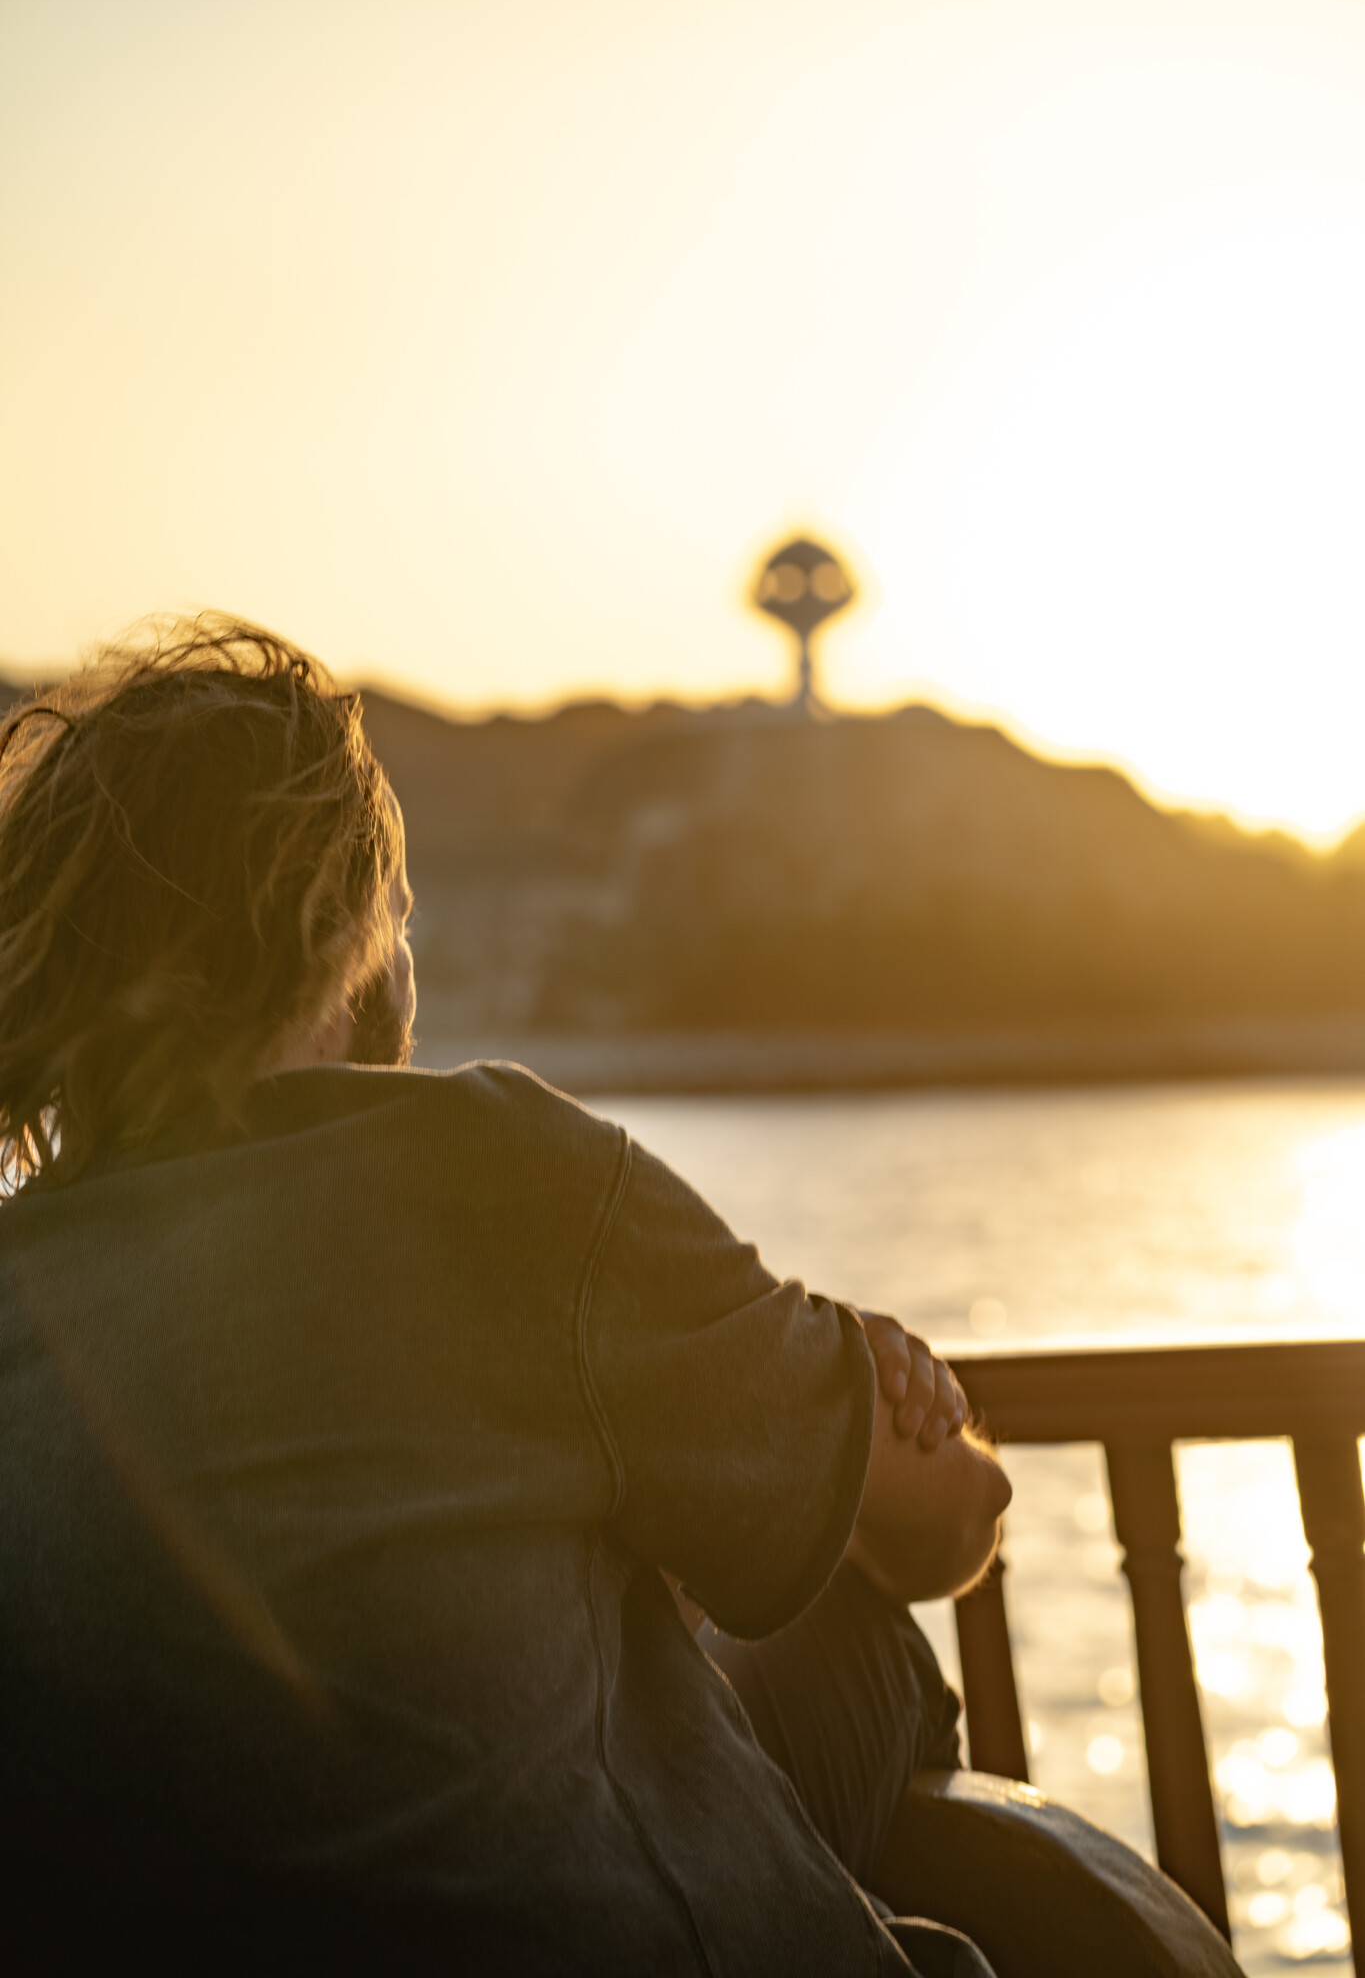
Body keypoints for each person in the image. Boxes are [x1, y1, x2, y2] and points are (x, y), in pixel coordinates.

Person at [0, 619, 1011, 1975]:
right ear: (341, 930)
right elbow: (946, 1525)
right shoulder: (498, 1178)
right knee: (850, 1632)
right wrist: (875, 1402)